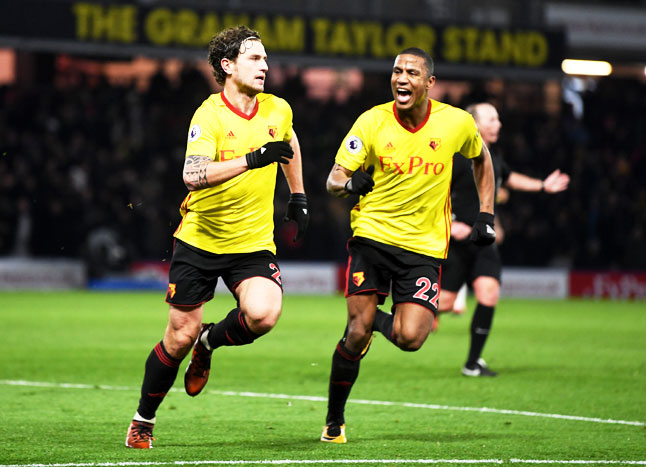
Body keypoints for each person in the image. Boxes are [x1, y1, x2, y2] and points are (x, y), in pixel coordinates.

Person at [125, 26, 309, 449]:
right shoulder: (209, 115)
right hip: (201, 241)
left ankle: (209, 342)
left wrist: (298, 195)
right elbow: (192, 175)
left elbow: (289, 140)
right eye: (254, 58)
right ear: (227, 66)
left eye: (265, 58)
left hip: (252, 242)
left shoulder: (278, 108)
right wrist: (251, 160)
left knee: (263, 314)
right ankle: (144, 419)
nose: (265, 65)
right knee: (178, 336)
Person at [320, 47, 496, 444]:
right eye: (397, 71)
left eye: (412, 73)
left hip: (424, 248)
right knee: (356, 333)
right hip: (373, 237)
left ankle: (374, 318)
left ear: (429, 83)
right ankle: (334, 419)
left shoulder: (456, 122)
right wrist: (349, 184)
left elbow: (482, 158)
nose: (402, 78)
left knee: (411, 337)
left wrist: (486, 214)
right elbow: (332, 180)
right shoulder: (371, 121)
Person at [437, 102, 570, 377]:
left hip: (483, 241)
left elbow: (508, 178)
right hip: (456, 241)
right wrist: (450, 226)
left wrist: (542, 186)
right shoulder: (456, 156)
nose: (498, 124)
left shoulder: (491, 154)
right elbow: (429, 194)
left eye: (498, 118)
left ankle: (472, 363)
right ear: (473, 123)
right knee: (445, 303)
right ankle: (394, 316)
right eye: (492, 119)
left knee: (489, 292)